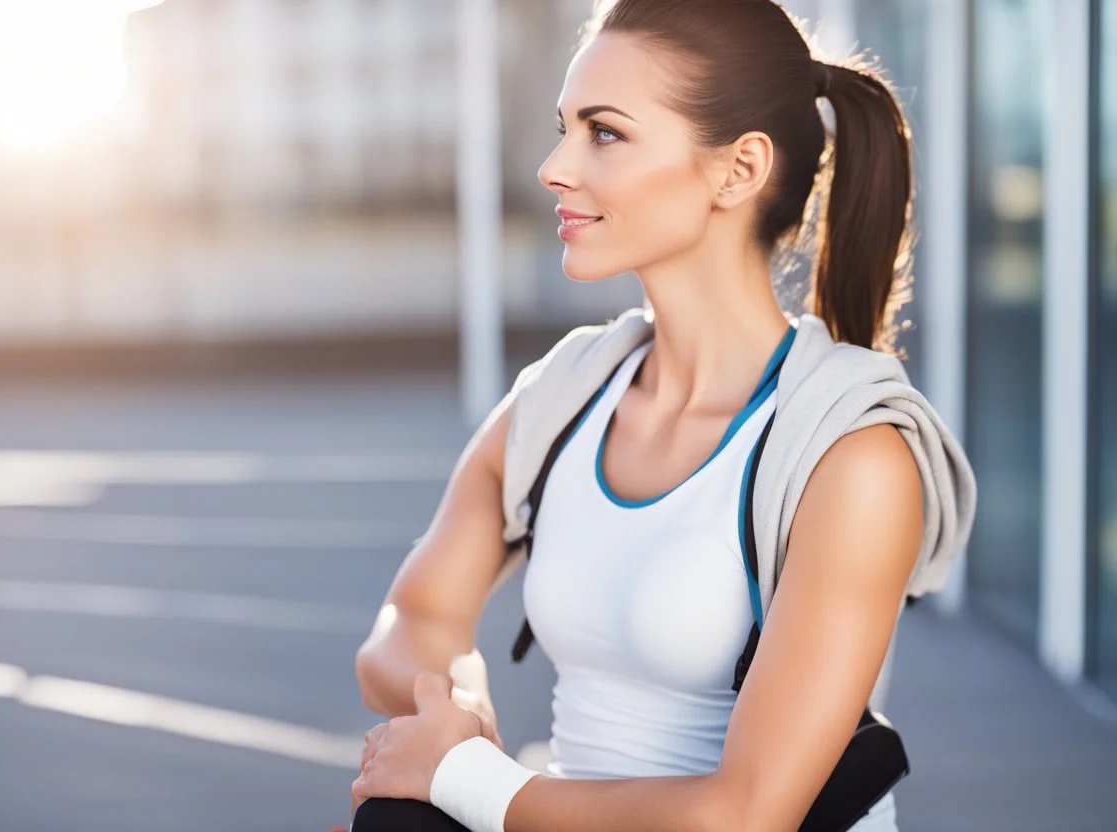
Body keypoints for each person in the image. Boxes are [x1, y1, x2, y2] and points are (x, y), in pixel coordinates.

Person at [348, 1, 975, 830]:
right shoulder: (565, 395)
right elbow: (412, 623)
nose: (554, 166)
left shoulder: (852, 455)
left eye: (603, 132)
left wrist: (467, 779)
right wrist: (455, 711)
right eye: (564, 127)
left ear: (739, 169)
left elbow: (746, 814)